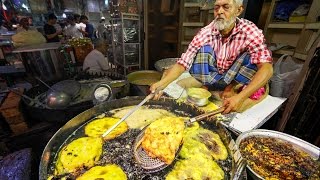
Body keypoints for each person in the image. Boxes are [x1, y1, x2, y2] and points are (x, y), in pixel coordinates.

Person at [150, 0, 273, 114]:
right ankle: (209, 85)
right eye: (216, 7)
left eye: (226, 7)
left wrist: (240, 97)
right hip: (215, 75)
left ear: (238, 10)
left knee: (251, 57)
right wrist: (162, 84)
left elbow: (267, 68)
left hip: (235, 76)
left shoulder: (250, 31)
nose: (219, 12)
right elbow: (183, 63)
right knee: (202, 50)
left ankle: (230, 88)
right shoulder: (205, 32)